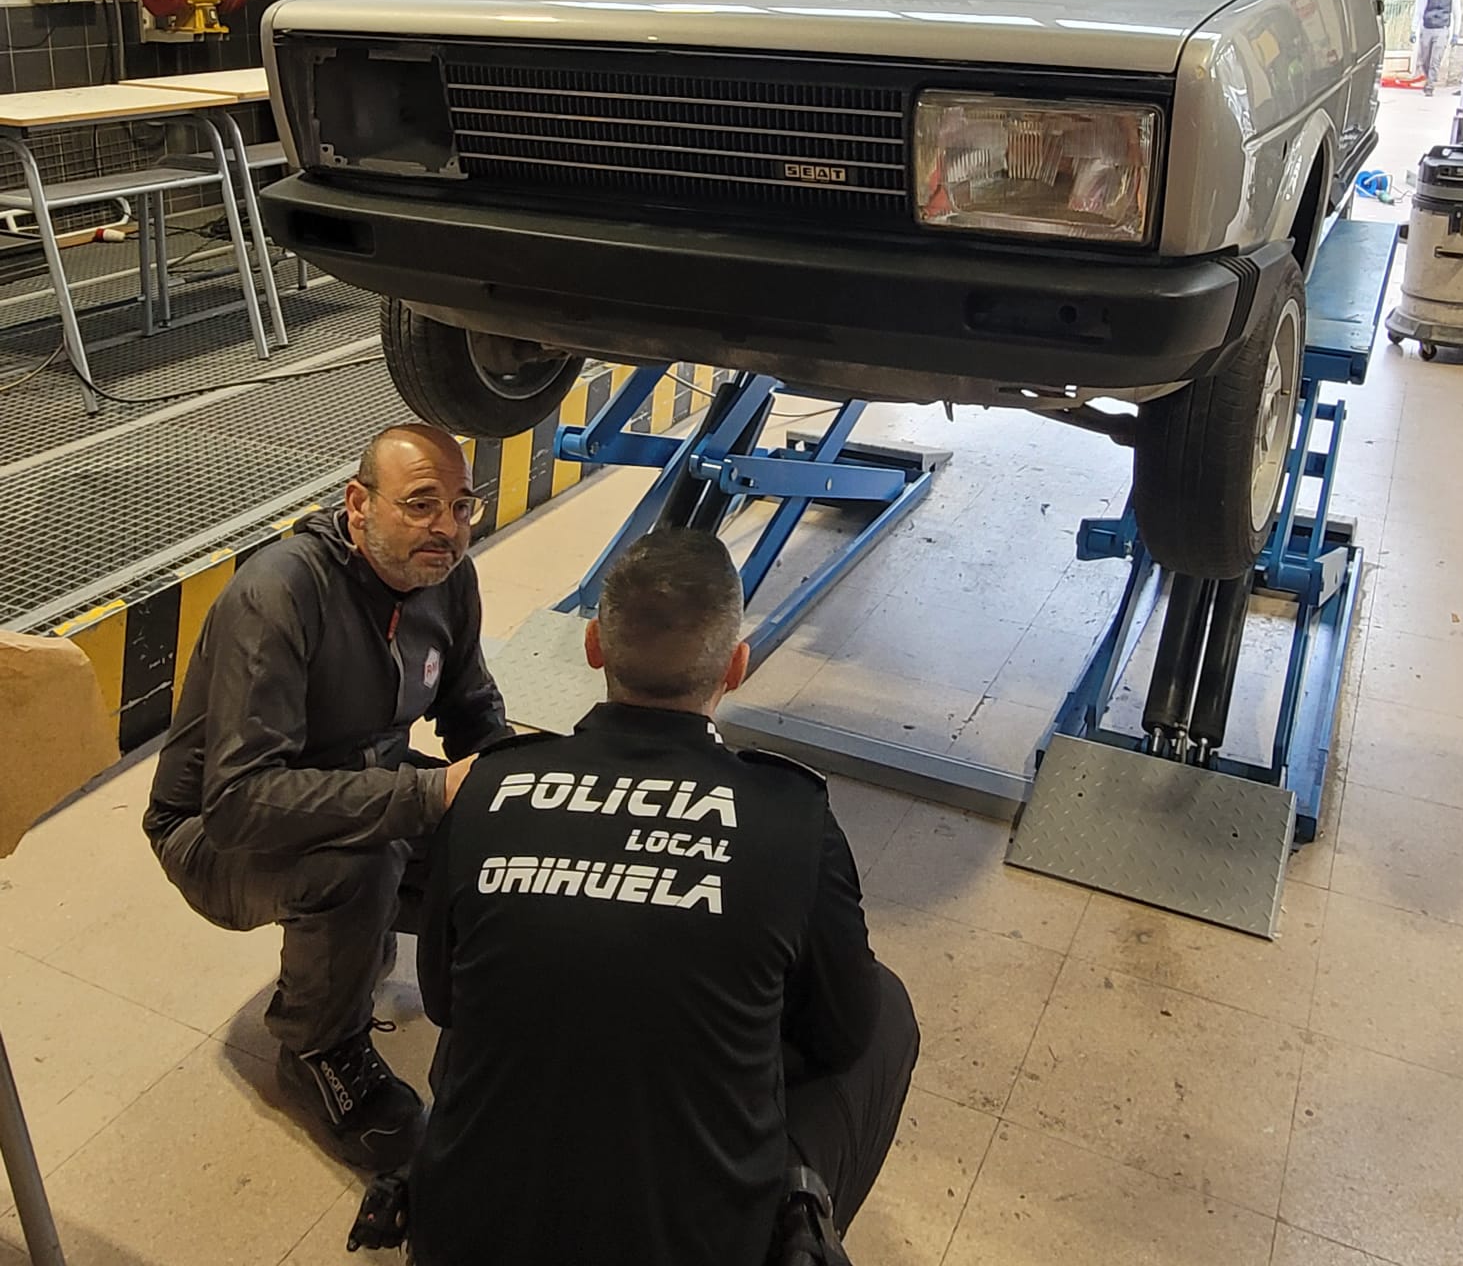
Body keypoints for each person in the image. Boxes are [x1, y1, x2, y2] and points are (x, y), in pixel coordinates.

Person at [409, 530, 919, 1266]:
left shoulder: (488, 786)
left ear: (593, 646)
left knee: (515, 974)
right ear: (736, 665)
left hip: (463, 1243)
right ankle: (796, 1216)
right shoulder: (791, 818)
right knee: (884, 1009)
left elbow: (441, 1001)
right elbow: (841, 1035)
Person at [144, 424, 508, 1170]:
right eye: (421, 504)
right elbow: (241, 800)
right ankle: (318, 1048)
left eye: (461, 506)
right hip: (214, 830)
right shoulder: (280, 594)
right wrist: (425, 794)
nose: (446, 527)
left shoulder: (446, 579)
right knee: (361, 863)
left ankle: (381, 949)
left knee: (497, 834)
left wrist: (518, 793)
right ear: (358, 504)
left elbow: (471, 708)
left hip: (354, 776)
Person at [1415, 0, 1462, 96]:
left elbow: (1457, 15)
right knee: (1425, 59)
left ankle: (1430, 85)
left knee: (1435, 59)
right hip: (1427, 28)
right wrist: (1414, 30)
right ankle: (1428, 78)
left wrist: (1455, 34)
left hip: (1442, 29)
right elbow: (1419, 12)